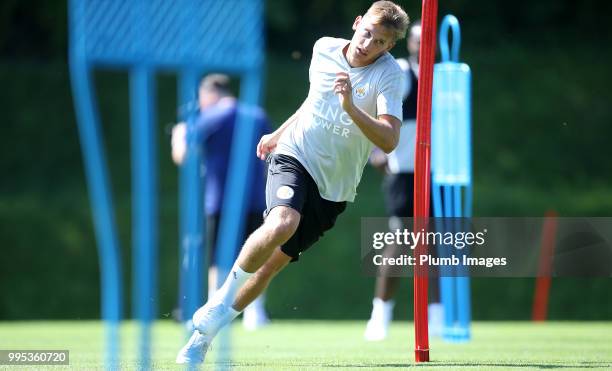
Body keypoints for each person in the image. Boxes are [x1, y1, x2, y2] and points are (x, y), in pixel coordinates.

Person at [176, 1, 409, 364]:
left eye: (380, 42)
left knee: (270, 267)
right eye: (367, 33)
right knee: (283, 221)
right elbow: (313, 102)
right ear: (357, 22)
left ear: (389, 46)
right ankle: (219, 299)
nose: (368, 44)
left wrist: (350, 107)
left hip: (334, 188)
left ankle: (205, 336)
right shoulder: (323, 49)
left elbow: (389, 139)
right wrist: (279, 133)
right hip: (295, 154)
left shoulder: (389, 75)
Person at [171, 74, 272, 331]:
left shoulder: (210, 117)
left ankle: (216, 311)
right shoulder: (257, 115)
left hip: (220, 201)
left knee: (220, 260)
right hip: (255, 198)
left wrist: (179, 132)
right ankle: (255, 313)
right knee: (256, 256)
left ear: (209, 94)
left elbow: (182, 155)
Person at [364, 21, 443, 341]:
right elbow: (377, 109)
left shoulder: (445, 78)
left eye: (428, 41)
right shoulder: (400, 73)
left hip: (437, 173)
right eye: (417, 41)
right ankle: (380, 314)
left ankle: (436, 317)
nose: (422, 46)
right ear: (409, 44)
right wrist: (374, 150)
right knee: (399, 240)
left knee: (434, 247)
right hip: (405, 170)